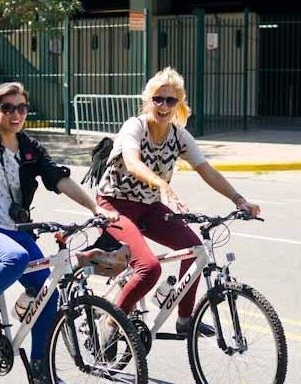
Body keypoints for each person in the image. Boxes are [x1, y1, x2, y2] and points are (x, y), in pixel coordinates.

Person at [0, 11, 117, 382]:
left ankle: (39, 370)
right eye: (8, 108)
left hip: (14, 227)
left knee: (47, 294)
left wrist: (97, 208)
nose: (16, 114)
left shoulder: (30, 147)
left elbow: (59, 180)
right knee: (14, 258)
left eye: (21, 108)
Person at [94, 67, 260, 340]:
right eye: (158, 99)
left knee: (194, 249)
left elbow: (207, 171)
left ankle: (185, 320)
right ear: (148, 100)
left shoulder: (179, 136)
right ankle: (111, 324)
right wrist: (160, 184)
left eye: (170, 101)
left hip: (148, 207)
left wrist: (239, 200)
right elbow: (133, 162)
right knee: (149, 268)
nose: (163, 106)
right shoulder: (134, 126)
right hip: (115, 205)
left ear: (178, 104)